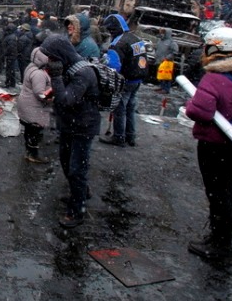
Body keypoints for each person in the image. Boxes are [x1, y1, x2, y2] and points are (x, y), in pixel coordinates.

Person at [184, 27, 232, 261]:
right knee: (225, 190)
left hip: (216, 144)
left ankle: (221, 245)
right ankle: (218, 237)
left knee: (218, 193)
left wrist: (190, 104)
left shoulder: (215, 76)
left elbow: (200, 111)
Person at [39, 34, 101, 228]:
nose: (49, 61)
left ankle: (77, 210)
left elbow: (67, 99)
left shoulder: (83, 73)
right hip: (69, 124)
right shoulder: (68, 66)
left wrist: (56, 78)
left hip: (83, 127)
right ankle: (81, 192)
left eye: (51, 56)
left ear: (60, 54)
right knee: (66, 162)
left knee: (77, 168)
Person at [100, 13, 148, 147]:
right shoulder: (135, 38)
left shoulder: (117, 43)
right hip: (138, 79)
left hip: (126, 81)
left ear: (112, 29)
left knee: (119, 109)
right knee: (130, 109)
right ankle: (130, 136)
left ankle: (119, 137)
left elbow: (113, 67)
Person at [16, 46, 53, 164]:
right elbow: (40, 94)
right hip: (34, 107)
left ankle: (29, 152)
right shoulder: (39, 74)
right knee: (34, 131)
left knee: (29, 130)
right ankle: (33, 154)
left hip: (27, 104)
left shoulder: (31, 67)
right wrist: (52, 97)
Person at [154, 28, 180, 94]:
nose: (161, 34)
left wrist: (167, 58)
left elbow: (175, 52)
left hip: (167, 62)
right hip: (159, 60)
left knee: (166, 76)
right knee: (161, 74)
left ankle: (166, 89)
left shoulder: (172, 42)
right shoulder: (160, 40)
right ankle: (161, 87)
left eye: (163, 32)